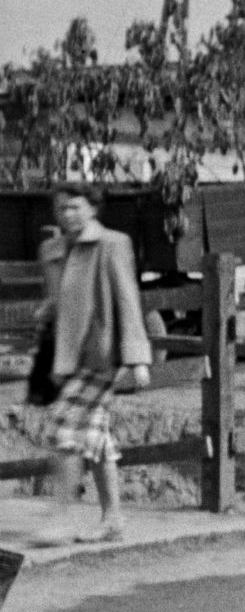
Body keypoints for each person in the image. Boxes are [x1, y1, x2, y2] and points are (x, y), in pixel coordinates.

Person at [38, 183, 151, 543]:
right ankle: (113, 518)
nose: (67, 214)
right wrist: (47, 311)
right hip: (66, 358)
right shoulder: (51, 250)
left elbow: (128, 300)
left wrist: (138, 359)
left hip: (102, 358)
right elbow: (58, 302)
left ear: (92, 209)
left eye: (74, 207)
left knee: (65, 432)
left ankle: (59, 518)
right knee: (97, 438)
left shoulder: (112, 244)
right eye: (61, 208)